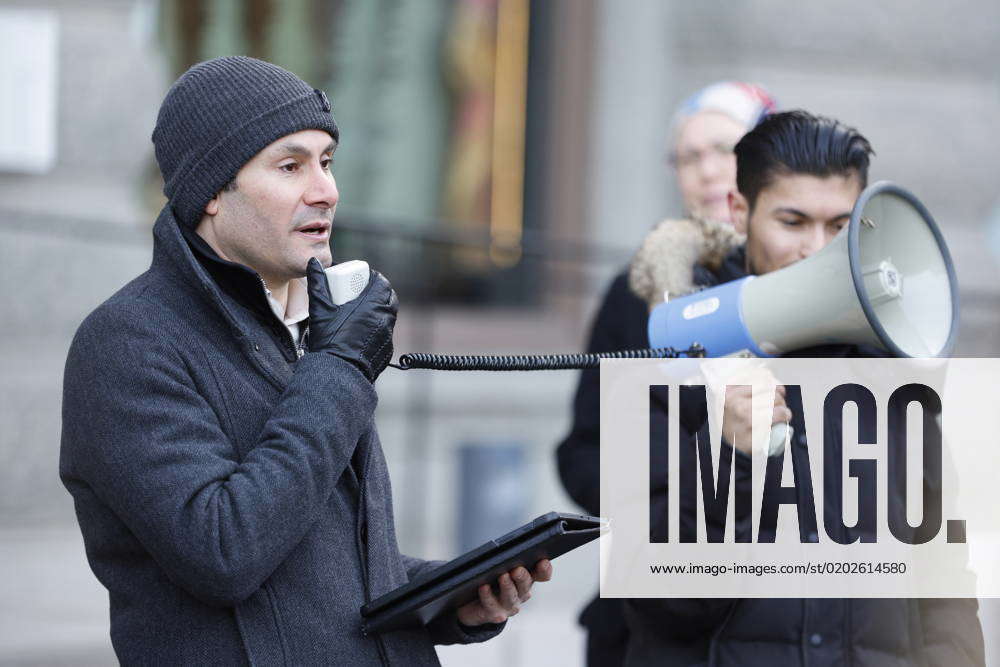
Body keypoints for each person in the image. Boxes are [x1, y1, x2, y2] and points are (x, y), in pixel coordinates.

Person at [59, 56, 551, 665]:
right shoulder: (127, 343)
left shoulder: (305, 328)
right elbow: (223, 551)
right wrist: (341, 368)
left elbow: (320, 559)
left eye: (327, 161)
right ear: (212, 191)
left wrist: (451, 595)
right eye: (290, 166)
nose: (326, 190)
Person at [623, 110, 985, 665]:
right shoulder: (676, 359)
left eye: (841, 227)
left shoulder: (896, 373)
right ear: (740, 211)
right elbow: (654, 601)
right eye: (792, 223)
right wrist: (729, 459)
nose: (818, 250)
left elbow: (943, 582)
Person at [555, 81, 775, 667]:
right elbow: (582, 452)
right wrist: (664, 493)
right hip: (653, 611)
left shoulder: (798, 286)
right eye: (690, 156)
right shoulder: (636, 292)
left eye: (725, 150)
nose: (707, 171)